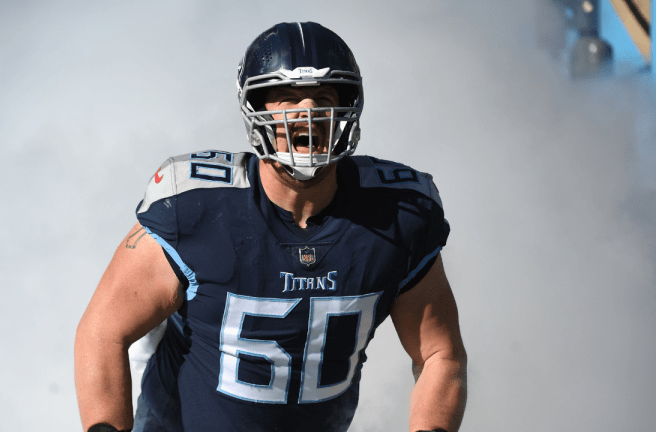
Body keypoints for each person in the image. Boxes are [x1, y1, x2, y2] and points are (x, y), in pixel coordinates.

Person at [75, 22, 467, 432]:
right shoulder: (194, 209)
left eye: (324, 96)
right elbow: (102, 332)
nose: (308, 112)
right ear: (256, 109)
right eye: (287, 98)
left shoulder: (399, 215)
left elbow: (439, 353)